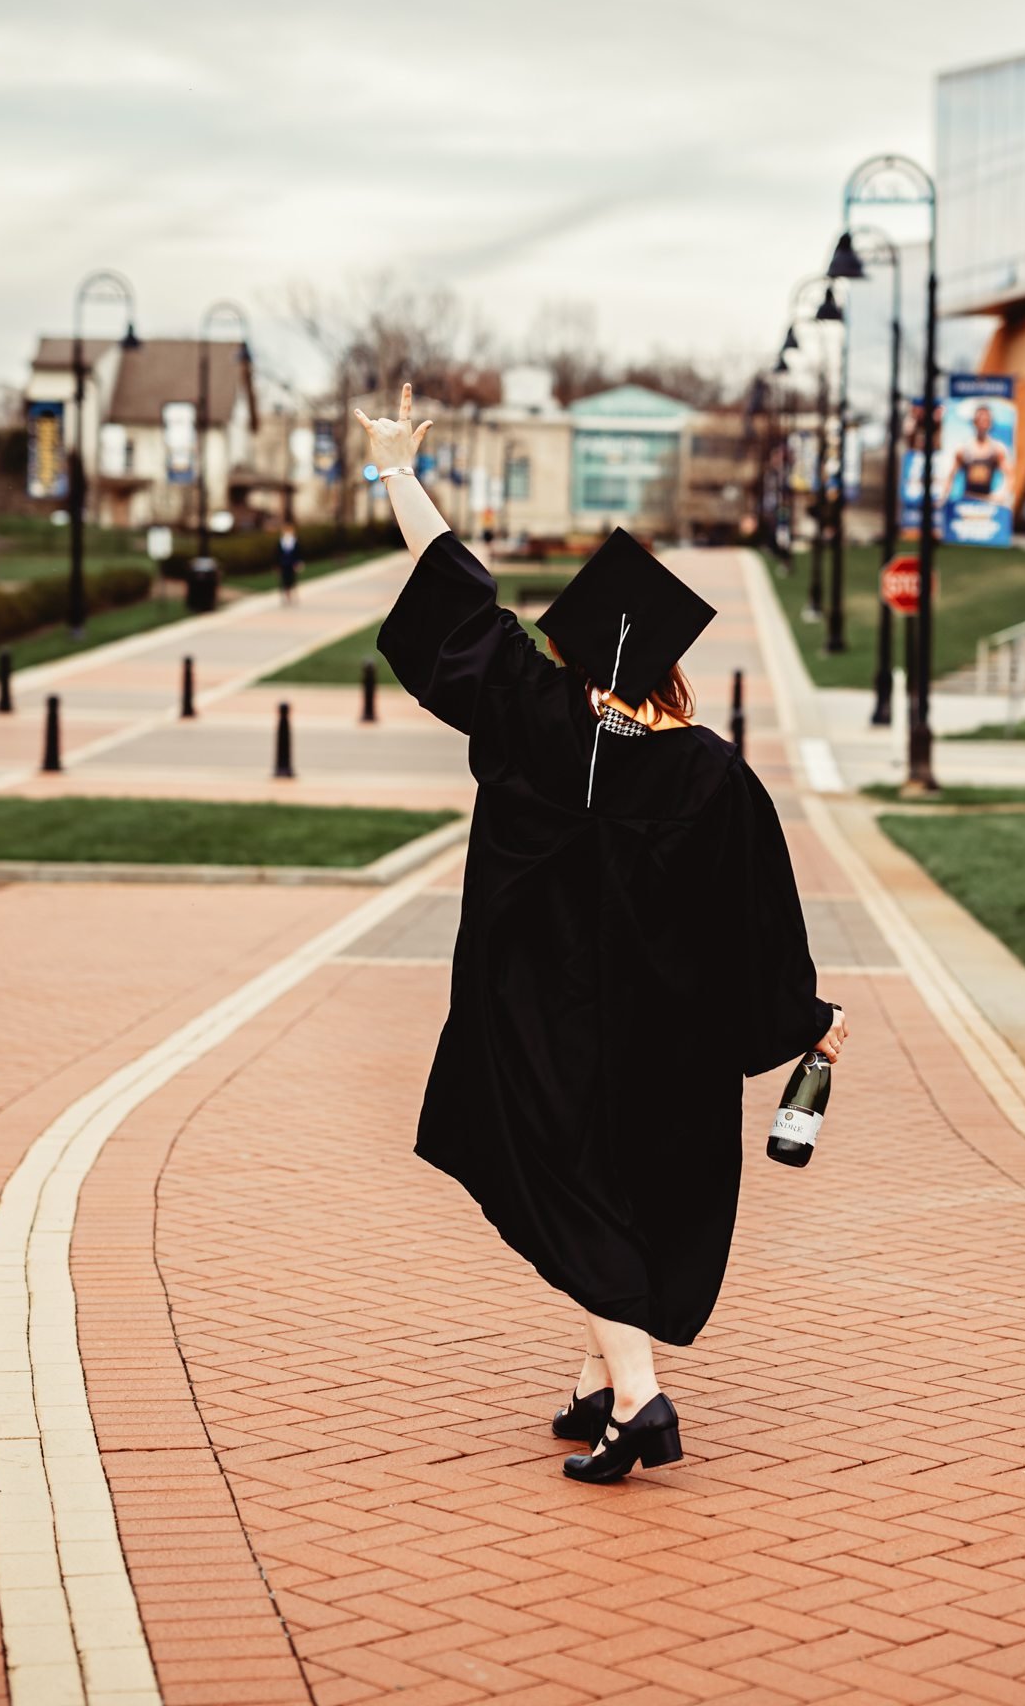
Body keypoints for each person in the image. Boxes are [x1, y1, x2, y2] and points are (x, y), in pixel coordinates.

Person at [355, 386, 847, 1484]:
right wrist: (803, 1018)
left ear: (575, 651)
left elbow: (454, 595)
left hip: (537, 1019)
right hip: (666, 1039)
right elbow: (761, 917)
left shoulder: (529, 713)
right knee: (617, 1194)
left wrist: (398, 471)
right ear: (671, 665)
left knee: (570, 1193)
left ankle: (637, 1399)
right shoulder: (713, 776)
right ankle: (598, 1382)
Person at [277, 519, 300, 604]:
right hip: (283, 564)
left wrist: (298, 563)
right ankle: (287, 596)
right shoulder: (281, 542)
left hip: (292, 563)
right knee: (284, 581)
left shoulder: (294, 541)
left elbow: (298, 553)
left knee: (293, 580)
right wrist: (277, 565)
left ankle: (294, 595)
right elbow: (277, 554)